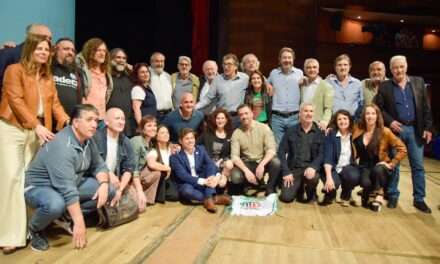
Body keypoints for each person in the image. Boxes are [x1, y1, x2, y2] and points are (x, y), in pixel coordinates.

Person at [0, 34, 69, 254]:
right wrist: (35, 125)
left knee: (30, 181)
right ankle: (9, 235)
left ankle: (28, 230)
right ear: (29, 49)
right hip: (12, 128)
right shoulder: (14, 70)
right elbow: (15, 100)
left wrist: (67, 121)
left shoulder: (47, 76)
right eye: (39, 48)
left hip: (37, 131)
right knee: (11, 178)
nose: (43, 52)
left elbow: (55, 104)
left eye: (46, 50)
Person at [24, 104, 114, 252]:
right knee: (55, 204)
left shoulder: (88, 139)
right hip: (40, 187)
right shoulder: (62, 146)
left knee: (109, 190)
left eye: (96, 120)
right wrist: (80, 222)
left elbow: (99, 165)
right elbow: (67, 190)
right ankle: (34, 229)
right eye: (89, 120)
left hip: (68, 184)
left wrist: (104, 183)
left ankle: (66, 216)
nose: (94, 124)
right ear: (76, 123)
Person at [374, 55, 433, 213]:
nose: (398, 70)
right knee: (394, 165)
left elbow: (426, 107)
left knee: (418, 166)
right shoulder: (385, 86)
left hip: (415, 130)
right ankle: (393, 195)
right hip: (395, 131)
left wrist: (428, 128)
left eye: (401, 66)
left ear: (406, 66)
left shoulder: (418, 82)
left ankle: (419, 199)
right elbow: (377, 107)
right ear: (391, 69)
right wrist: (390, 121)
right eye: (395, 67)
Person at [353, 104, 407, 212]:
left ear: (377, 116)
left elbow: (402, 148)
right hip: (364, 165)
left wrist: (392, 163)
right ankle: (367, 191)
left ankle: (379, 194)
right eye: (367, 113)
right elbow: (343, 127)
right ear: (363, 116)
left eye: (373, 113)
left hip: (380, 165)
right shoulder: (357, 129)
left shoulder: (385, 131)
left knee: (378, 170)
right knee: (365, 183)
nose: (370, 116)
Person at [170, 128, 232, 213]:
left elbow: (211, 164)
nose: (190, 141)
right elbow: (183, 176)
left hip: (204, 180)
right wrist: (204, 181)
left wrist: (212, 177)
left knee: (210, 167)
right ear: (180, 141)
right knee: (186, 191)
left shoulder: (201, 149)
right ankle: (214, 199)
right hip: (188, 182)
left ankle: (209, 200)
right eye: (187, 139)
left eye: (192, 138)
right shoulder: (175, 157)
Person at [277, 102, 324, 203]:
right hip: (294, 169)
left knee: (314, 177)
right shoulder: (291, 131)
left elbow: (322, 154)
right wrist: (286, 171)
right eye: (305, 111)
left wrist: (314, 167)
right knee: (286, 198)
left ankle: (311, 191)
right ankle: (299, 188)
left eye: (311, 111)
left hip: (310, 169)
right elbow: (281, 151)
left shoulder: (319, 133)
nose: (308, 114)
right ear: (300, 113)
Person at [230, 104, 280, 195]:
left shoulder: (264, 128)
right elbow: (234, 157)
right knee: (235, 176)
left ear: (252, 114)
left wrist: (262, 164)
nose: (244, 116)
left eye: (246, 113)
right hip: (247, 163)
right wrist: (246, 171)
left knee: (276, 162)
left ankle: (270, 187)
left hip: (262, 161)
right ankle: (247, 184)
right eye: (241, 114)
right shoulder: (236, 133)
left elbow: (271, 150)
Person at [131, 115, 178, 207]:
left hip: (140, 174)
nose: (153, 128)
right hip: (131, 176)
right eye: (149, 125)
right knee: (157, 170)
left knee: (157, 172)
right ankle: (136, 192)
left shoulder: (150, 143)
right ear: (142, 129)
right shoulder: (136, 141)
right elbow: (133, 168)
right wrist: (167, 168)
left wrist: (172, 145)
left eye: (154, 125)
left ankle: (147, 200)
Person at [93, 108, 135, 209]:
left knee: (137, 203)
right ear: (106, 121)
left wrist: (120, 189)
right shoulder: (96, 137)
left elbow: (129, 169)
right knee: (110, 192)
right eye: (117, 118)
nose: (121, 122)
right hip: (97, 177)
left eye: (123, 119)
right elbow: (93, 162)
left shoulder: (126, 141)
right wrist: (108, 173)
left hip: (116, 181)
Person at [196, 53, 249, 128]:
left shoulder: (244, 78)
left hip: (238, 117)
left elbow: (258, 79)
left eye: (229, 64)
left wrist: (267, 84)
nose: (226, 67)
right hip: (222, 117)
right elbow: (207, 98)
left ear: (236, 66)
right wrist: (195, 107)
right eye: (224, 64)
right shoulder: (217, 80)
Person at [0, 24, 52, 98]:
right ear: (29, 36)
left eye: (50, 38)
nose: (48, 40)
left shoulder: (46, 61)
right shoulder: (8, 54)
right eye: (43, 37)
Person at [320, 110, 360, 206]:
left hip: (347, 167)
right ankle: (329, 195)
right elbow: (328, 157)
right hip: (333, 167)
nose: (342, 121)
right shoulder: (331, 134)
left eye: (345, 118)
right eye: (339, 119)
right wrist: (329, 178)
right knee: (333, 184)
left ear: (350, 120)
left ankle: (346, 195)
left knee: (354, 176)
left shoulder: (354, 134)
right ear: (336, 122)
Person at [268, 47, 303, 144]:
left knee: (294, 147)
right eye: (284, 58)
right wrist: (268, 85)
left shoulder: (300, 73)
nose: (287, 60)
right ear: (279, 60)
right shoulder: (273, 73)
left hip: (294, 117)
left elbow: (312, 79)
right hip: (277, 118)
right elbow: (263, 84)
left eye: (289, 58)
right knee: (278, 148)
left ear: (293, 59)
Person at [76, 38, 113, 123]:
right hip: (86, 117)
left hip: (101, 118)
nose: (102, 53)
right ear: (90, 51)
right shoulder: (82, 70)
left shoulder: (106, 73)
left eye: (104, 51)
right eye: (98, 50)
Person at [197, 108, 233, 187]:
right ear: (214, 120)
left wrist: (221, 160)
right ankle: (217, 181)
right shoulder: (207, 133)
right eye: (218, 118)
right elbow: (196, 146)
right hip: (208, 162)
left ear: (226, 120)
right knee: (220, 184)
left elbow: (232, 153)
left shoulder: (230, 134)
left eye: (222, 118)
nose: (220, 120)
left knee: (229, 164)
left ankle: (222, 177)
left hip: (222, 163)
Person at [52, 38, 83, 117]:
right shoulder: (48, 68)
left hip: (69, 122)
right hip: (49, 120)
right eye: (66, 49)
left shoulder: (77, 73)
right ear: (56, 50)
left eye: (73, 50)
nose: (70, 53)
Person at [107, 48, 135, 136]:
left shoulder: (129, 77)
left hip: (127, 125)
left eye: (124, 58)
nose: (121, 60)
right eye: (118, 57)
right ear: (110, 59)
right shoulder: (105, 76)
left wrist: (132, 70)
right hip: (110, 124)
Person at [145, 125, 177, 203]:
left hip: (169, 179)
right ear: (156, 136)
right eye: (162, 133)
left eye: (167, 132)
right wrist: (167, 168)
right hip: (160, 180)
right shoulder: (154, 151)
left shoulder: (171, 149)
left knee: (175, 196)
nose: (166, 134)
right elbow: (151, 164)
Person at [300, 58, 334, 131]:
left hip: (318, 126)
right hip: (302, 125)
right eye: (308, 67)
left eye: (314, 67)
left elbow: (328, 108)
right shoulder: (302, 85)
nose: (312, 70)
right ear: (305, 70)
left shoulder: (326, 86)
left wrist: (324, 122)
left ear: (318, 69)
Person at [326, 54, 363, 120]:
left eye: (345, 65)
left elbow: (362, 104)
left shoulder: (358, 83)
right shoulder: (328, 82)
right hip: (333, 122)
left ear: (350, 66)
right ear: (335, 67)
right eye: (339, 65)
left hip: (353, 122)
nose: (342, 68)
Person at [149, 52, 173, 122]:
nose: (160, 64)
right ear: (151, 62)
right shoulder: (147, 74)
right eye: (157, 61)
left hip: (169, 114)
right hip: (154, 115)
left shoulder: (168, 76)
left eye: (162, 61)